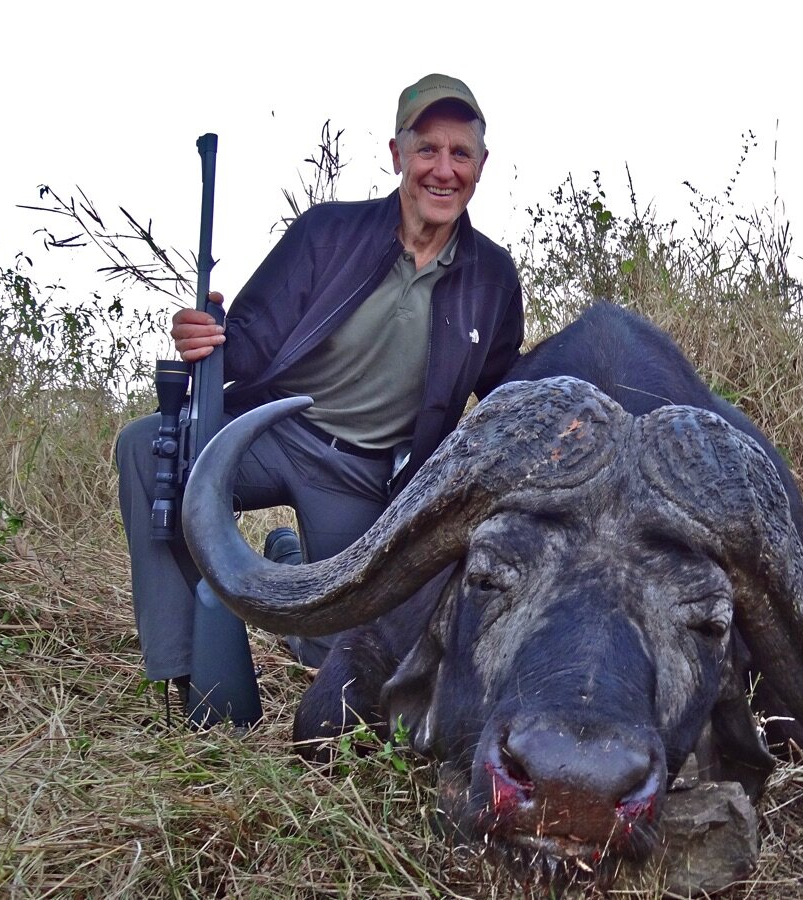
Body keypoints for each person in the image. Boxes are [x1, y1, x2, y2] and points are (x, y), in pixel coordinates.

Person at [115, 74, 524, 693]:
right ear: (397, 155)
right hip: (272, 430)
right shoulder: (325, 232)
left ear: (481, 165)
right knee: (146, 449)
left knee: (334, 662)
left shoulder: (494, 276)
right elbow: (245, 346)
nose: (443, 170)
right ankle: (178, 669)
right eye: (427, 150)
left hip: (363, 474)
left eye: (460, 153)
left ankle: (290, 560)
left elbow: (505, 390)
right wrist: (208, 331)